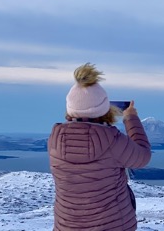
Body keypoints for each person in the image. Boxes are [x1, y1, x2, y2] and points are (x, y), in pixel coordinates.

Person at [48, 63, 151, 230]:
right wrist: (130, 118)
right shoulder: (112, 140)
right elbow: (143, 156)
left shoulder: (55, 140)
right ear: (104, 109)